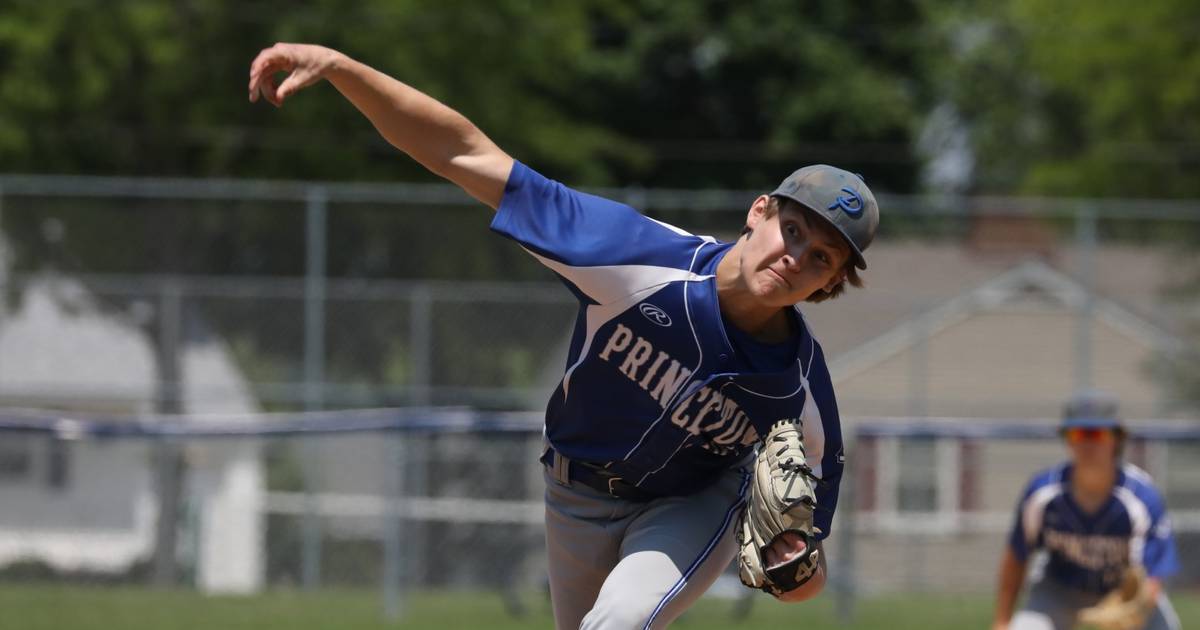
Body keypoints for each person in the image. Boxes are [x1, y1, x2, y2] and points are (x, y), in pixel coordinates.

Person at [249, 43, 879, 629]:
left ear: (826, 285)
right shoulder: (637, 260)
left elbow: (804, 579)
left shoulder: (798, 381)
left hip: (692, 505)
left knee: (617, 623)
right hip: (572, 493)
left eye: (822, 257)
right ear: (760, 211)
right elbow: (465, 154)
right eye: (794, 229)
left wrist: (793, 562)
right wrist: (342, 68)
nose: (797, 256)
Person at [992, 391, 1181, 630]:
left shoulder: (1142, 497)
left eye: (1098, 433)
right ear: (1067, 438)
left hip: (1124, 592)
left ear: (1116, 438)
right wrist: (1001, 620)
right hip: (1058, 590)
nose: (1088, 442)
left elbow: (1154, 575)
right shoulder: (1043, 493)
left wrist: (1137, 607)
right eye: (1079, 433)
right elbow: (1017, 556)